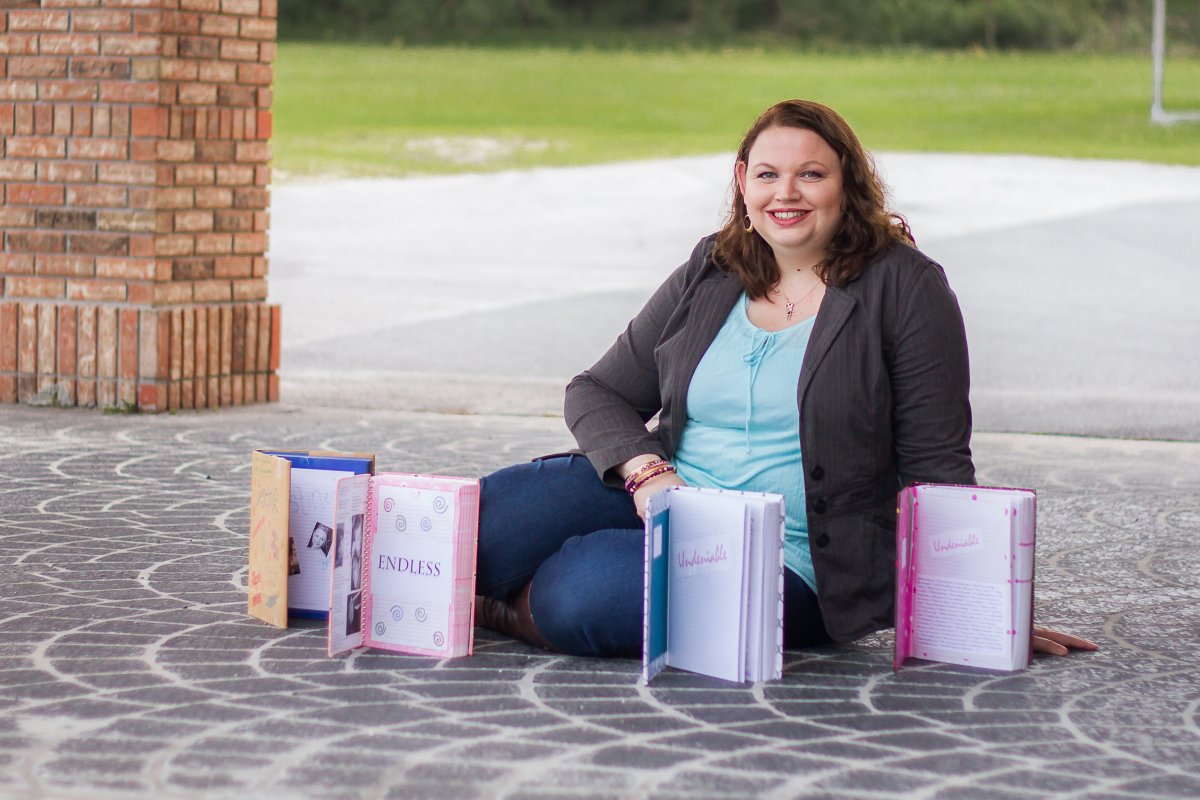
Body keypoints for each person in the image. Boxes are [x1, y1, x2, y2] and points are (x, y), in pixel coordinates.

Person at [473, 99, 1097, 661]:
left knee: (582, 593)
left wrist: (981, 604)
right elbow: (597, 390)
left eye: (812, 174)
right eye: (768, 175)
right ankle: (534, 576)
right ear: (743, 181)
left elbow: (936, 465)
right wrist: (648, 474)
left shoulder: (906, 287)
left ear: (848, 183)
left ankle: (509, 609)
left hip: (795, 557)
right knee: (488, 524)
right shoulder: (714, 266)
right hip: (672, 496)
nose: (786, 193)